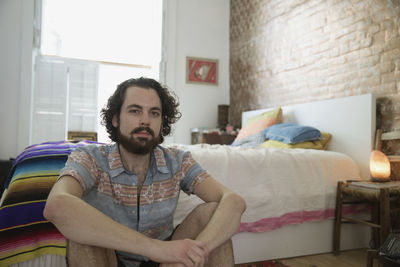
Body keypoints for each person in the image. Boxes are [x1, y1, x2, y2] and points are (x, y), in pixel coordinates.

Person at [44, 77, 246, 267]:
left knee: (212, 212)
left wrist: (195, 251)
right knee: (83, 234)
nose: (145, 121)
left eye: (154, 113)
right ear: (115, 119)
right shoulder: (90, 157)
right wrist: (156, 249)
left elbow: (233, 201)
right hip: (112, 257)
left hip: (168, 260)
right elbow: (57, 205)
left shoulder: (178, 161)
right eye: (135, 111)